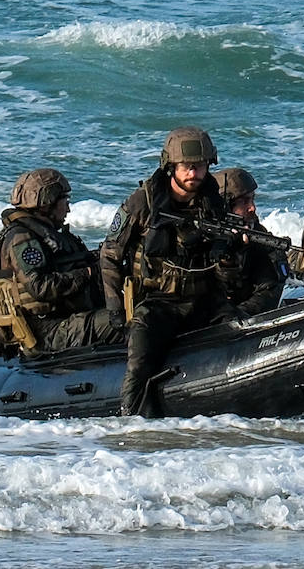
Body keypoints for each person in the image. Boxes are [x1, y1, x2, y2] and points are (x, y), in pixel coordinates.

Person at [99, 126, 234, 417]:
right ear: (171, 166)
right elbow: (110, 255)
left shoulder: (213, 203)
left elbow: (225, 269)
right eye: (187, 167)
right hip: (158, 302)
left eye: (200, 166)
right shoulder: (143, 202)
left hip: (204, 301)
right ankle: (132, 424)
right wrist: (116, 311)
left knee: (241, 334)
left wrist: (228, 255)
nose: (194, 173)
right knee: (139, 365)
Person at [0, 168, 123, 361]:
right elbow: (41, 287)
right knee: (128, 321)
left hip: (60, 323)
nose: (68, 209)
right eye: (65, 201)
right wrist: (87, 272)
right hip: (45, 334)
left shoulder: (47, 237)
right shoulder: (22, 240)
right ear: (47, 203)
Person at [211, 167, 289, 318]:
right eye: (244, 202)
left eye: (252, 199)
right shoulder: (205, 237)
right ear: (226, 206)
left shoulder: (256, 233)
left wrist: (242, 314)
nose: (252, 208)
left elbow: (270, 285)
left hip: (241, 311)